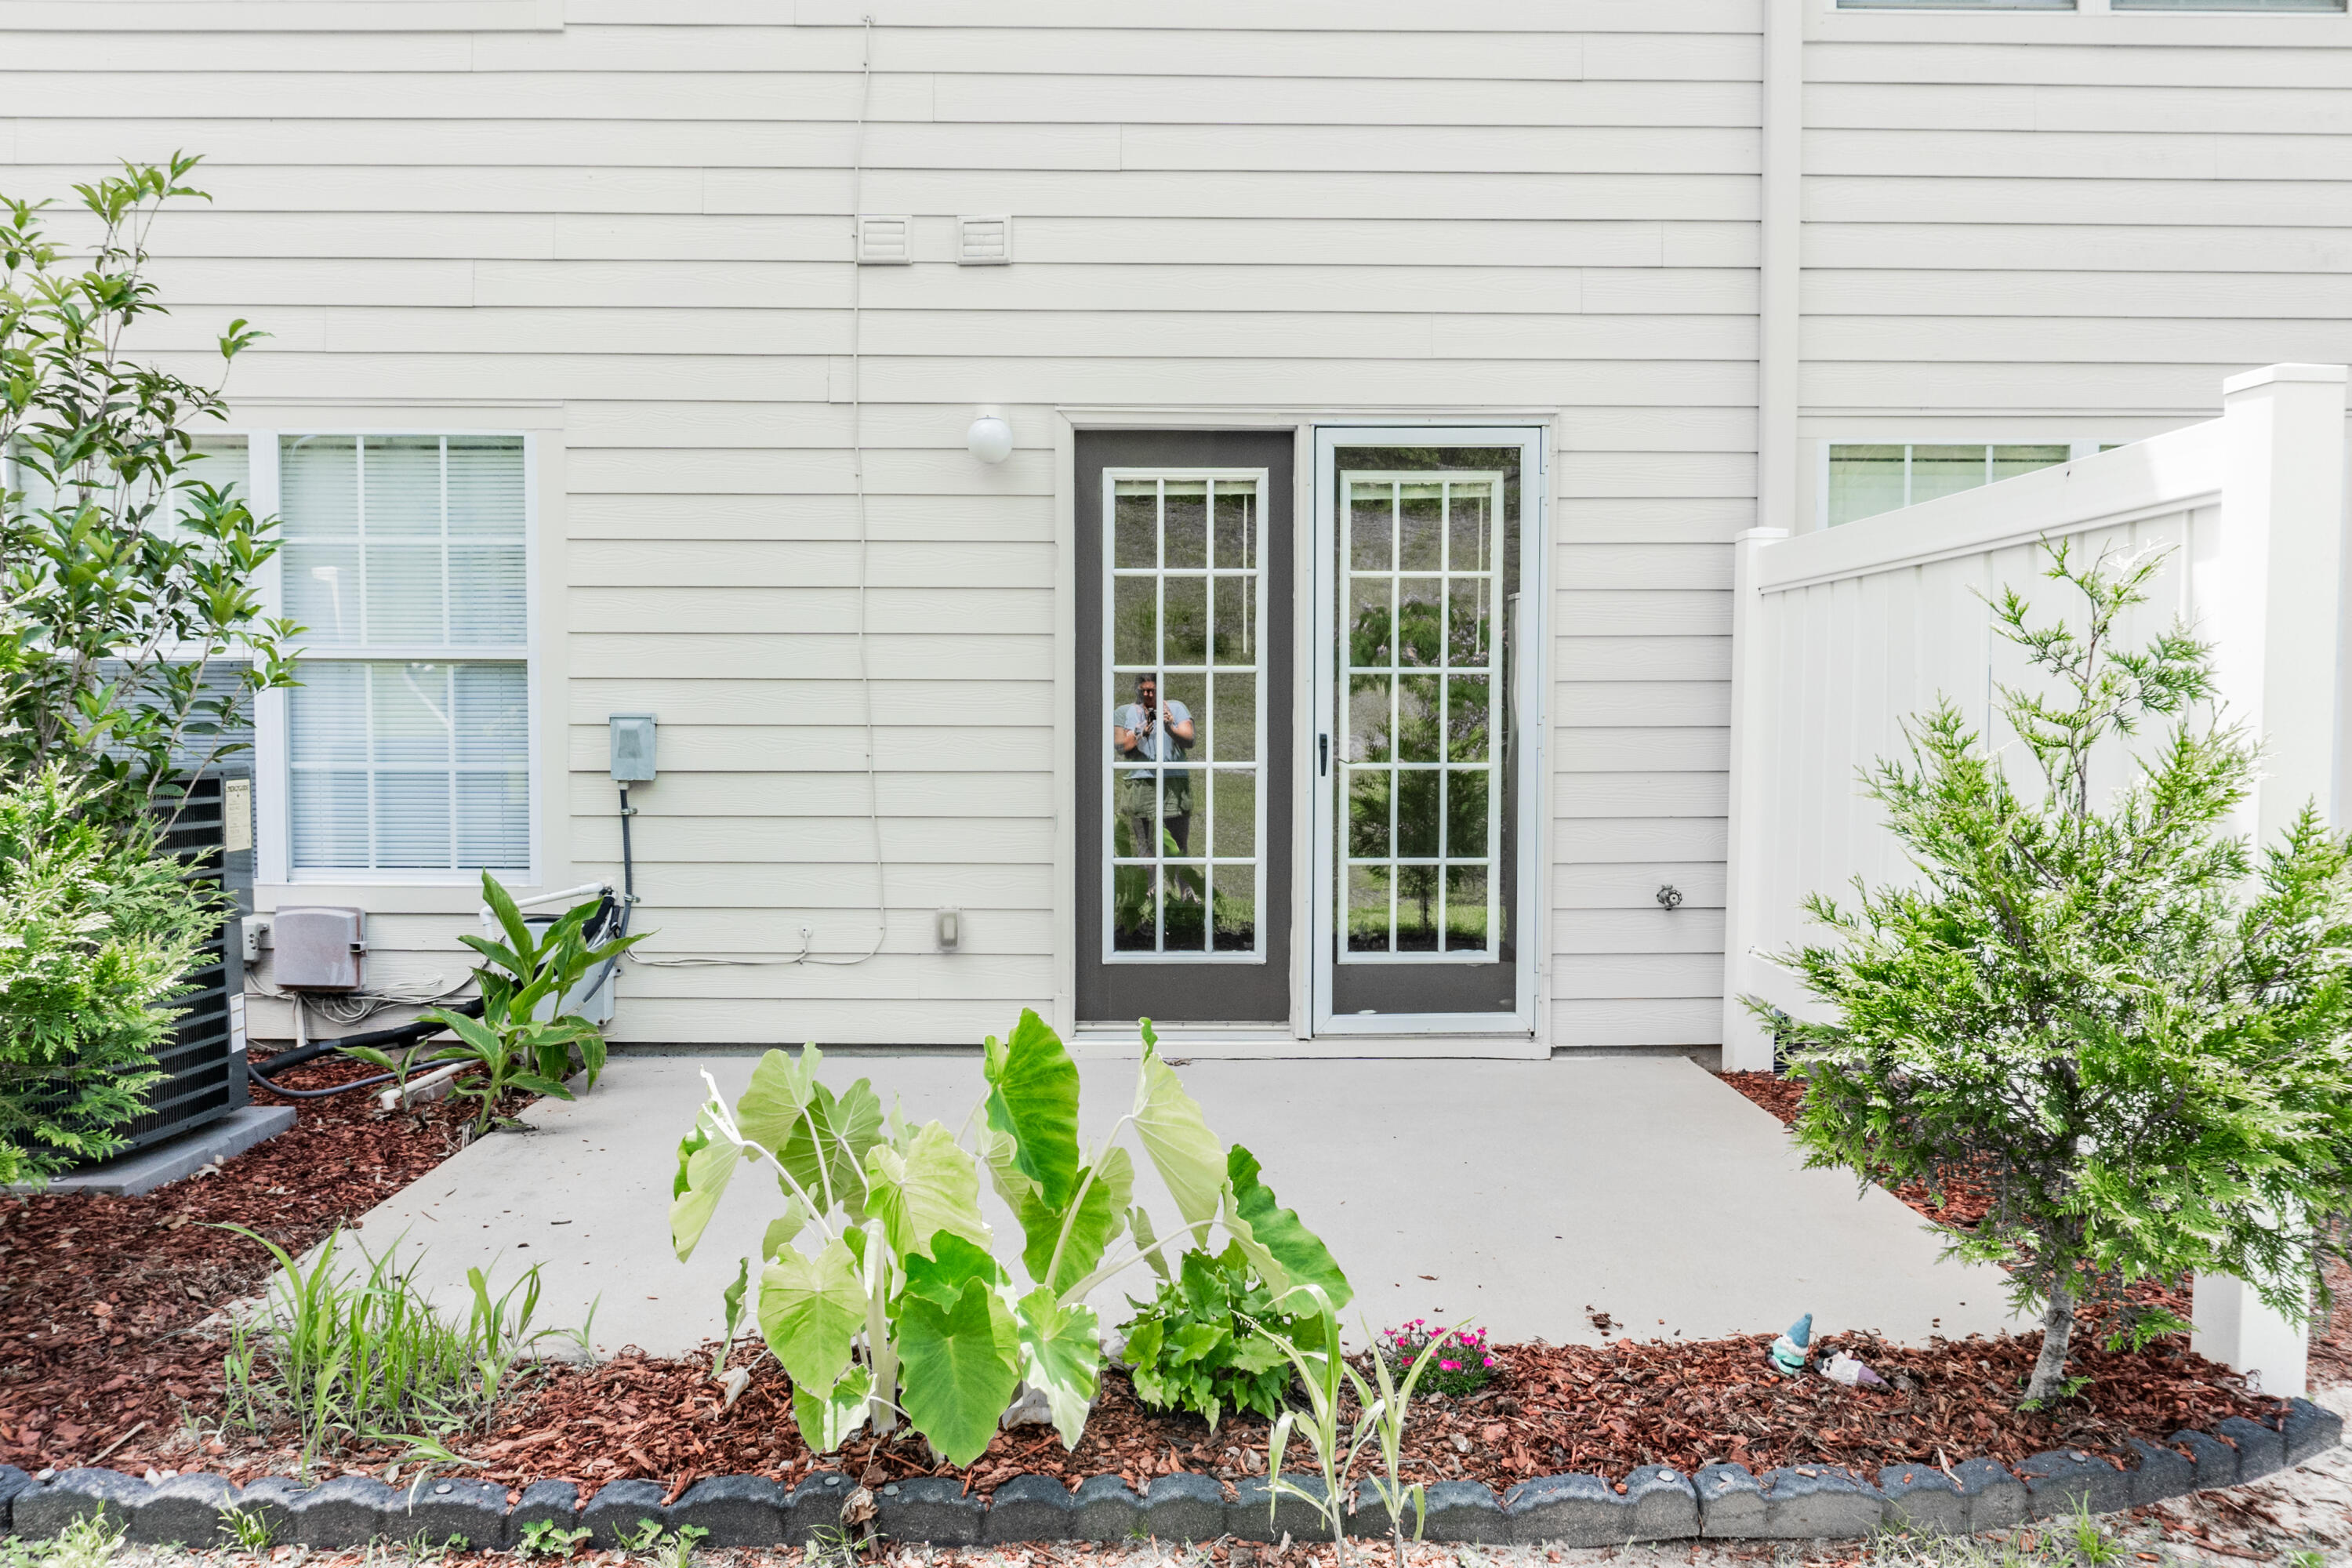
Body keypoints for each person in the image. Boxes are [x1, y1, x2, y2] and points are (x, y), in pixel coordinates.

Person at [1112, 673, 1196, 857]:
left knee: (1178, 842)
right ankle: (1151, 885)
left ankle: (1181, 883)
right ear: (1138, 691)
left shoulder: (1176, 708)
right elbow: (1121, 747)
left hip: (1173, 780)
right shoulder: (1124, 712)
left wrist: (1169, 728)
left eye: (1153, 690)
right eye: (1144, 691)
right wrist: (1140, 734)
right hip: (1140, 782)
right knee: (1144, 843)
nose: (1148, 695)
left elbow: (1189, 740)